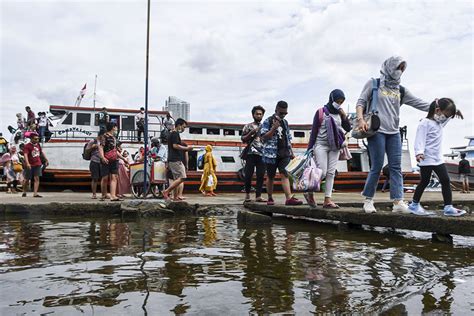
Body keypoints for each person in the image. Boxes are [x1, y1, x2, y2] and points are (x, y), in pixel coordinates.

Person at [355, 56, 463, 214]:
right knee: (377, 166)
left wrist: (448, 111)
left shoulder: (401, 90)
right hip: (376, 130)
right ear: (390, 66)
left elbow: (421, 104)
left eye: (402, 69)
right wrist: (360, 120)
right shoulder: (374, 83)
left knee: (396, 167)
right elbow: (361, 102)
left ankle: (398, 201)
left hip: (393, 132)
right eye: (398, 68)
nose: (400, 72)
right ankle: (369, 200)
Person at [408, 98, 466, 216]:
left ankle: (448, 207)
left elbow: (447, 118)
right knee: (424, 181)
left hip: (437, 159)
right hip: (426, 158)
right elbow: (420, 139)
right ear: (437, 110)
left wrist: (456, 111)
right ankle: (414, 205)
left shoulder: (439, 123)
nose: (445, 118)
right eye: (445, 115)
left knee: (445, 180)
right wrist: (419, 152)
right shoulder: (425, 123)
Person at [304, 89, 351, 208]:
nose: (339, 103)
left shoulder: (340, 113)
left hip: (335, 146)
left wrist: (344, 115)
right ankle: (309, 193)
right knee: (322, 171)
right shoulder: (321, 112)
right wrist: (309, 149)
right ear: (331, 99)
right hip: (321, 145)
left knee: (331, 173)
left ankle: (327, 200)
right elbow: (314, 131)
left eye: (341, 102)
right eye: (337, 101)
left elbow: (348, 128)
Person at [261, 101, 302, 206]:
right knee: (271, 176)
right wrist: (273, 128)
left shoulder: (285, 122)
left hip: (284, 153)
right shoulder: (267, 121)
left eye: (285, 113)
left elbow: (288, 138)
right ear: (276, 111)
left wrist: (291, 153)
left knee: (285, 175)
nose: (283, 115)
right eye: (281, 113)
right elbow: (263, 138)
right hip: (271, 154)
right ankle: (270, 197)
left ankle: (289, 198)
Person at [162, 118, 193, 200]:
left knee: (176, 179)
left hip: (171, 159)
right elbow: (175, 146)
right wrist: (187, 148)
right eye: (183, 127)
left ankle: (175, 197)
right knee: (183, 177)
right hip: (175, 159)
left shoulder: (171, 133)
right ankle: (166, 191)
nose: (183, 129)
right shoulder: (175, 133)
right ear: (179, 125)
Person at [242, 105, 266, 202]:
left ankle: (258, 196)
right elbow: (243, 139)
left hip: (262, 154)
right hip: (251, 153)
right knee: (248, 175)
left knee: (261, 175)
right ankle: (247, 194)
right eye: (257, 114)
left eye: (260, 114)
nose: (259, 116)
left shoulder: (265, 126)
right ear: (253, 115)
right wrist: (251, 132)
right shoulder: (248, 126)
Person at [98, 122, 126, 201]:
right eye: (116, 127)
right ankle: (104, 194)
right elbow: (101, 147)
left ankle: (113, 196)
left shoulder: (114, 138)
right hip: (106, 159)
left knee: (114, 177)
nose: (117, 128)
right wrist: (102, 157)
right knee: (105, 178)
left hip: (114, 160)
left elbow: (115, 150)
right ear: (113, 127)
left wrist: (123, 159)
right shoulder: (104, 136)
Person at [22, 132, 48, 197]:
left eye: (37, 139)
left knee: (37, 178)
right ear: (31, 139)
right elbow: (25, 155)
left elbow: (41, 152)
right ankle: (24, 191)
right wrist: (27, 163)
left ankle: (35, 193)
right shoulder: (27, 146)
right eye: (35, 139)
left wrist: (46, 159)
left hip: (38, 163)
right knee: (26, 179)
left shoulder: (38, 145)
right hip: (30, 164)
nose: (37, 140)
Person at [85, 132, 103, 199]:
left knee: (103, 178)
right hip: (94, 161)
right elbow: (87, 150)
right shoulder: (93, 141)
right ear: (100, 135)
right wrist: (92, 147)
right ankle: (94, 194)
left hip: (102, 162)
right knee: (95, 178)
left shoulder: (104, 141)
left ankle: (103, 194)